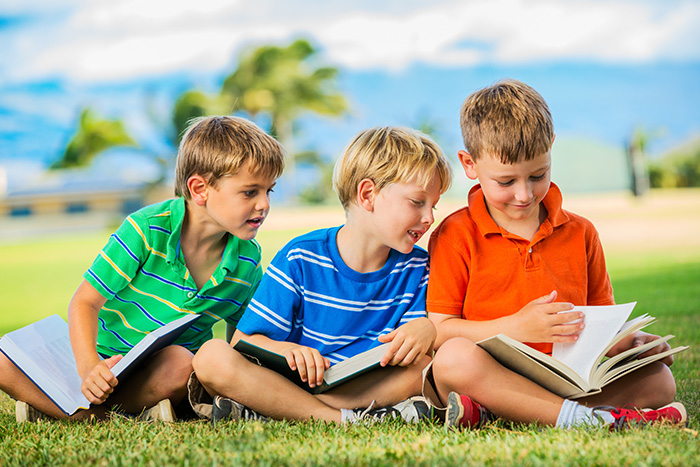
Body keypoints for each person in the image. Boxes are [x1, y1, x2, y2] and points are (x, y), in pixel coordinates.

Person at [426, 79, 686, 430]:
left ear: (550, 148)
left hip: (569, 377)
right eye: (505, 182)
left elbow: (600, 322)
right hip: (489, 372)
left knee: (660, 380)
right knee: (452, 361)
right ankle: (585, 420)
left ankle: (501, 412)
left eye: (538, 175)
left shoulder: (581, 232)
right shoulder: (455, 234)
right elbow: (439, 331)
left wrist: (632, 344)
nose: (524, 194)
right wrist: (515, 327)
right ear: (469, 164)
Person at [1, 116, 286, 423]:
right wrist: (89, 368)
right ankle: (100, 410)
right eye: (250, 192)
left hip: (162, 373)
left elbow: (242, 336)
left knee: (180, 362)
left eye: (269, 191)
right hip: (101, 364)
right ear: (200, 189)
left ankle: (76, 414)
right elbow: (85, 302)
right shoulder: (147, 229)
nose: (264, 204)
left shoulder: (246, 260)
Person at [191, 126, 452, 424]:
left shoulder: (418, 268)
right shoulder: (301, 257)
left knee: (421, 367)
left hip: (361, 386)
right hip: (292, 381)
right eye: (417, 202)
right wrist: (287, 349)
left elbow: (410, 355)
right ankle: (342, 419)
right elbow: (243, 342)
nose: (430, 217)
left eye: (433, 205)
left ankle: (282, 412)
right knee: (212, 356)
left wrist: (425, 329)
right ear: (367, 195)